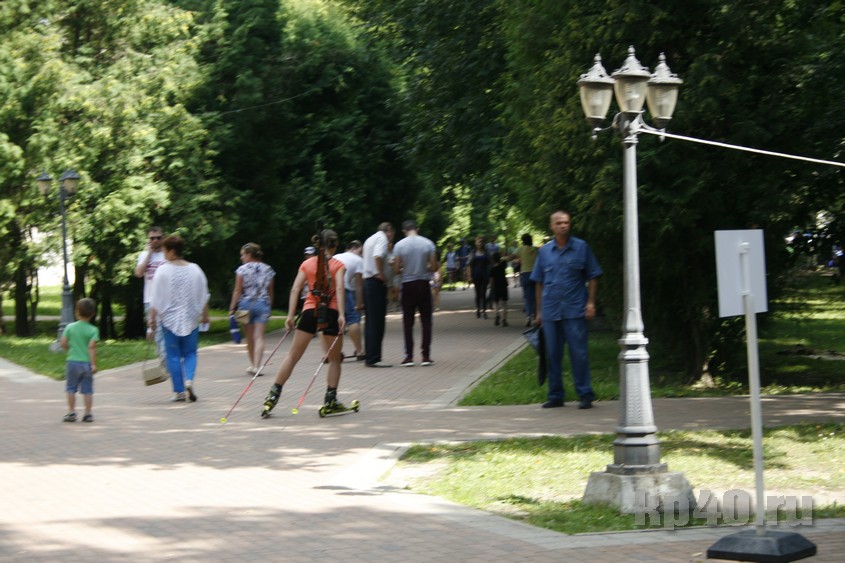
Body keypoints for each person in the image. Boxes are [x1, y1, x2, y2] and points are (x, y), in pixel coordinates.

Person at [261, 229, 347, 416]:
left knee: (293, 356)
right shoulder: (338, 265)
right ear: (334, 245)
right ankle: (330, 399)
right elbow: (340, 289)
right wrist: (341, 314)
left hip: (309, 311)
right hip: (331, 312)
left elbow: (295, 289)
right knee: (334, 359)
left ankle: (273, 395)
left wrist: (290, 315)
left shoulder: (307, 263)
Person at [531, 210, 602, 410]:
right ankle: (556, 395)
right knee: (553, 354)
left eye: (566, 222)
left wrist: (591, 303)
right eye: (559, 223)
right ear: (552, 226)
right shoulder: (544, 252)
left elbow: (593, 276)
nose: (563, 225)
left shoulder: (581, 247)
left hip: (575, 310)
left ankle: (585, 394)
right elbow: (538, 283)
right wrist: (539, 312)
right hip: (551, 311)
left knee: (579, 354)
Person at [149, 235, 210, 403]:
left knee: (173, 355)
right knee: (191, 353)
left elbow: (155, 298)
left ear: (172, 251)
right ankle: (189, 379)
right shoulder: (196, 269)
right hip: (191, 318)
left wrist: (151, 320)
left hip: (169, 320)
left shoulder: (163, 270)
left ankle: (179, 391)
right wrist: (205, 315)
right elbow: (204, 294)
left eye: (165, 251)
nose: (164, 254)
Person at [392, 219, 438, 367]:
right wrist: (425, 267)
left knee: (408, 322)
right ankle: (426, 356)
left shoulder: (399, 245)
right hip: (423, 283)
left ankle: (409, 356)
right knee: (426, 321)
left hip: (408, 284)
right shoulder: (428, 243)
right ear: (416, 229)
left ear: (404, 231)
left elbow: (396, 270)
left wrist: (404, 268)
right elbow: (434, 267)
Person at [228, 243, 276, 375]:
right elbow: (271, 291)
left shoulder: (241, 269)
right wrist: (269, 307)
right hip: (263, 304)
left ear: (249, 254)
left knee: (249, 337)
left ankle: (252, 365)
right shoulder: (268, 269)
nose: (241, 258)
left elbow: (238, 290)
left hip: (244, 305)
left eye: (242, 255)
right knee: (259, 337)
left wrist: (232, 308)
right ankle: (257, 366)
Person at [60, 298, 100, 423]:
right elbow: (92, 347)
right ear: (92, 314)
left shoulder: (70, 327)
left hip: (72, 362)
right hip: (87, 364)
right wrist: (93, 364)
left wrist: (70, 350)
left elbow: (63, 343)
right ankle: (88, 414)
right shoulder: (93, 330)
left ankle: (71, 412)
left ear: (77, 311)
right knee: (87, 390)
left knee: (70, 388)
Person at [362, 222, 395, 367]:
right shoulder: (382, 238)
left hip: (368, 282)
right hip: (376, 283)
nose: (392, 236)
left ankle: (370, 355)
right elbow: (377, 256)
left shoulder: (370, 239)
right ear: (388, 230)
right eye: (392, 233)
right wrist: (381, 273)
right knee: (377, 322)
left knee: (370, 322)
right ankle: (375, 358)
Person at [134, 226, 166, 356]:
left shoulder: (168, 255)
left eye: (158, 238)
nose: (155, 240)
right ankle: (165, 361)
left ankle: (166, 361)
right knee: (157, 333)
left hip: (167, 300)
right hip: (150, 300)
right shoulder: (143, 255)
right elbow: (139, 273)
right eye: (152, 238)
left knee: (166, 333)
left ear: (163, 238)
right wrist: (149, 254)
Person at [334, 240, 365, 361]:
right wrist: (359, 304)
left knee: (332, 322)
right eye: (360, 251)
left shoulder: (336, 256)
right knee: (353, 319)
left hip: (329, 291)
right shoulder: (359, 260)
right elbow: (359, 285)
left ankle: (330, 353)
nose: (361, 254)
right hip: (344, 290)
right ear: (354, 248)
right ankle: (360, 351)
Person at [503, 234, 538, 326]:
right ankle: (535, 316)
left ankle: (528, 316)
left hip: (525, 274)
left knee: (527, 296)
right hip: (535, 274)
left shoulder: (521, 249)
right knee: (535, 296)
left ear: (523, 241)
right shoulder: (536, 249)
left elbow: (510, 258)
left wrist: (501, 258)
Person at [469, 236, 491, 319]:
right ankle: (478, 309)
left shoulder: (486, 252)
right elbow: (469, 265)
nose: (480, 243)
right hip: (476, 275)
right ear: (476, 243)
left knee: (483, 293)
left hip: (485, 275)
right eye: (479, 241)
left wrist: (490, 275)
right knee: (478, 293)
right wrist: (469, 276)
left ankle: (484, 311)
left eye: (481, 241)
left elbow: (490, 264)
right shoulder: (473, 252)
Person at [488, 251, 509, 327]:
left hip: (495, 287)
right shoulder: (503, 265)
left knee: (495, 302)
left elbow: (491, 280)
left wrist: (490, 286)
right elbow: (506, 259)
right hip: (503, 286)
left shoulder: (492, 269)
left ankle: (497, 314)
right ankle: (504, 320)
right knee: (504, 304)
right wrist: (503, 256)